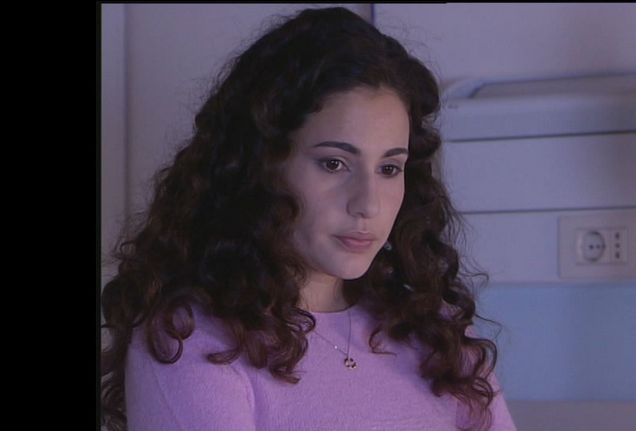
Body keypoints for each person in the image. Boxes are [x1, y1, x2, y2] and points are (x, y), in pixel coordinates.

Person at [101, 6, 518, 431]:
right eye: (334, 164)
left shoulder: (436, 332)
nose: (369, 204)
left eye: (389, 168)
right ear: (261, 165)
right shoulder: (193, 341)